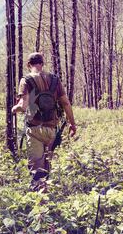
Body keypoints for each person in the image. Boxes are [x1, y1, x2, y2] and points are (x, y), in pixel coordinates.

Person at [12, 52, 77, 189]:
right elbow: (65, 103)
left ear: (29, 65)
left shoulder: (26, 80)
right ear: (42, 64)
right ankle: (47, 196)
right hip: (51, 130)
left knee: (36, 168)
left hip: (35, 129)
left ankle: (40, 199)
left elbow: (23, 106)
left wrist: (13, 109)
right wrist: (72, 123)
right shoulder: (54, 80)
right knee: (47, 165)